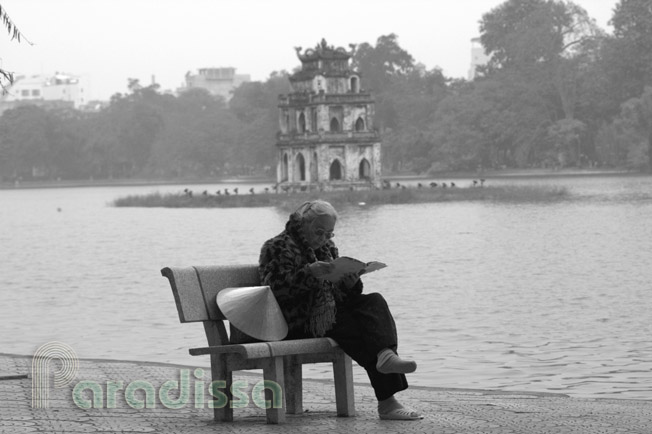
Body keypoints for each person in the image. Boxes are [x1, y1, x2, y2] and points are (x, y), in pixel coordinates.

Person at [258, 200, 423, 420]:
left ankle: (386, 355)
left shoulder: (327, 248)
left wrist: (350, 282)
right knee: (357, 329)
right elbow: (276, 291)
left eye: (329, 234)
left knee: (374, 302)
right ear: (303, 223)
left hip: (330, 313)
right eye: (319, 232)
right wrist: (309, 273)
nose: (323, 239)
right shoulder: (277, 246)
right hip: (296, 320)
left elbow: (346, 295)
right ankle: (387, 400)